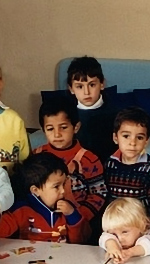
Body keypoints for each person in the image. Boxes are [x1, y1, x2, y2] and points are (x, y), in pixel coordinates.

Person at [33, 98, 107, 233]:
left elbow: (99, 194)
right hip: (42, 226)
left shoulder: (89, 160)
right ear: (43, 130)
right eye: (50, 129)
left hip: (79, 225)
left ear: (76, 127)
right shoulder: (36, 156)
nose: (57, 134)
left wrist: (78, 216)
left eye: (63, 127)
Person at [0, 152, 90, 243]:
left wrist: (72, 215)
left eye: (64, 184)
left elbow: (80, 242)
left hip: (63, 257)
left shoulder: (68, 209)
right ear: (35, 190)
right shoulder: (20, 210)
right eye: (56, 186)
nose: (63, 191)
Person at [104, 107, 150, 218]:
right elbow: (106, 199)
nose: (132, 143)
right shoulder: (110, 164)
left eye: (140, 137)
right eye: (126, 136)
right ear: (115, 138)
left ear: (146, 141)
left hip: (141, 225)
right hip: (114, 224)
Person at [67, 56, 119, 161]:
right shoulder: (67, 115)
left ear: (102, 84)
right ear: (71, 89)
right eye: (79, 86)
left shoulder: (116, 115)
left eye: (92, 85)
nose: (86, 92)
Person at [98, 197, 150, 264]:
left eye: (125, 232)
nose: (120, 239)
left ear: (142, 225)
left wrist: (130, 252)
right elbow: (105, 236)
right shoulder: (117, 237)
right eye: (114, 234)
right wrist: (112, 246)